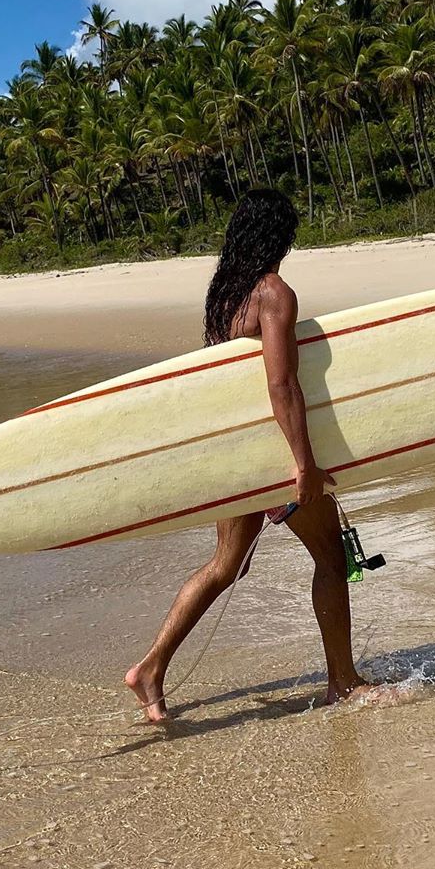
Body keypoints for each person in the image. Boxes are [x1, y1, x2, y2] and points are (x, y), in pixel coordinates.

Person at [125, 188, 368, 721]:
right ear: (279, 236)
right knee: (330, 559)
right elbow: (281, 385)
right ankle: (343, 682)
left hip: (234, 451)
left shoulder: (226, 296)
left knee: (224, 565)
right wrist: (303, 466)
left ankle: (150, 669)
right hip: (274, 454)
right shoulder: (273, 292)